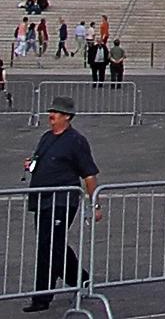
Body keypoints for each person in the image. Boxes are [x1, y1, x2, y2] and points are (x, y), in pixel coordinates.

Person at [24, 94, 99, 312]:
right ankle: (82, 279)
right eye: (51, 111)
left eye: (56, 112)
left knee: (49, 246)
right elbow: (37, 163)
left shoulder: (76, 141)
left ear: (67, 116)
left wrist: (95, 204)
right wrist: (30, 165)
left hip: (63, 201)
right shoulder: (46, 137)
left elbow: (89, 174)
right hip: (42, 200)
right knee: (52, 245)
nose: (51, 115)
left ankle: (42, 297)